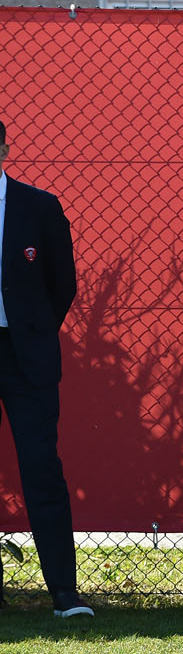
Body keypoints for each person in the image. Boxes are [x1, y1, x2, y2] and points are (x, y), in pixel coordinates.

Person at [0, 120, 89, 618]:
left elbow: (63, 284)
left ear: (4, 150)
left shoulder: (39, 206)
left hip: (25, 357)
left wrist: (30, 331)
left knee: (41, 469)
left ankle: (64, 594)